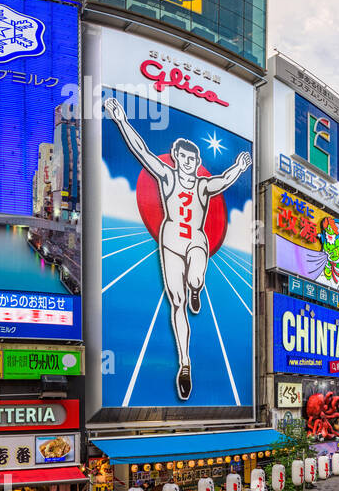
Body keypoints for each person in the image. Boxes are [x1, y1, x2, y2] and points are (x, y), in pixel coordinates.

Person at [102, 96, 253, 401]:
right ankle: (185, 363)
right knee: (177, 301)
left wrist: (238, 168)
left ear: (197, 163)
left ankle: (197, 286)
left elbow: (223, 180)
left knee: (196, 278)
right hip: (170, 239)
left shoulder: (202, 185)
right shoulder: (167, 176)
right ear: (175, 156)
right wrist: (120, 119)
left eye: (192, 159)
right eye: (183, 157)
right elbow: (141, 150)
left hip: (196, 238)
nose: (188, 163)